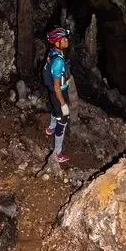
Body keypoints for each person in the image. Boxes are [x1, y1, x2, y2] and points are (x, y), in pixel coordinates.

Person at [43, 27, 72, 164]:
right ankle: (57, 153)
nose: (67, 41)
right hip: (58, 93)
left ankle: (50, 128)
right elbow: (56, 87)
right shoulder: (58, 61)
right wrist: (63, 103)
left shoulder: (53, 52)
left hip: (54, 93)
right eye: (63, 39)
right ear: (57, 42)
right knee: (63, 120)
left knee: (55, 111)